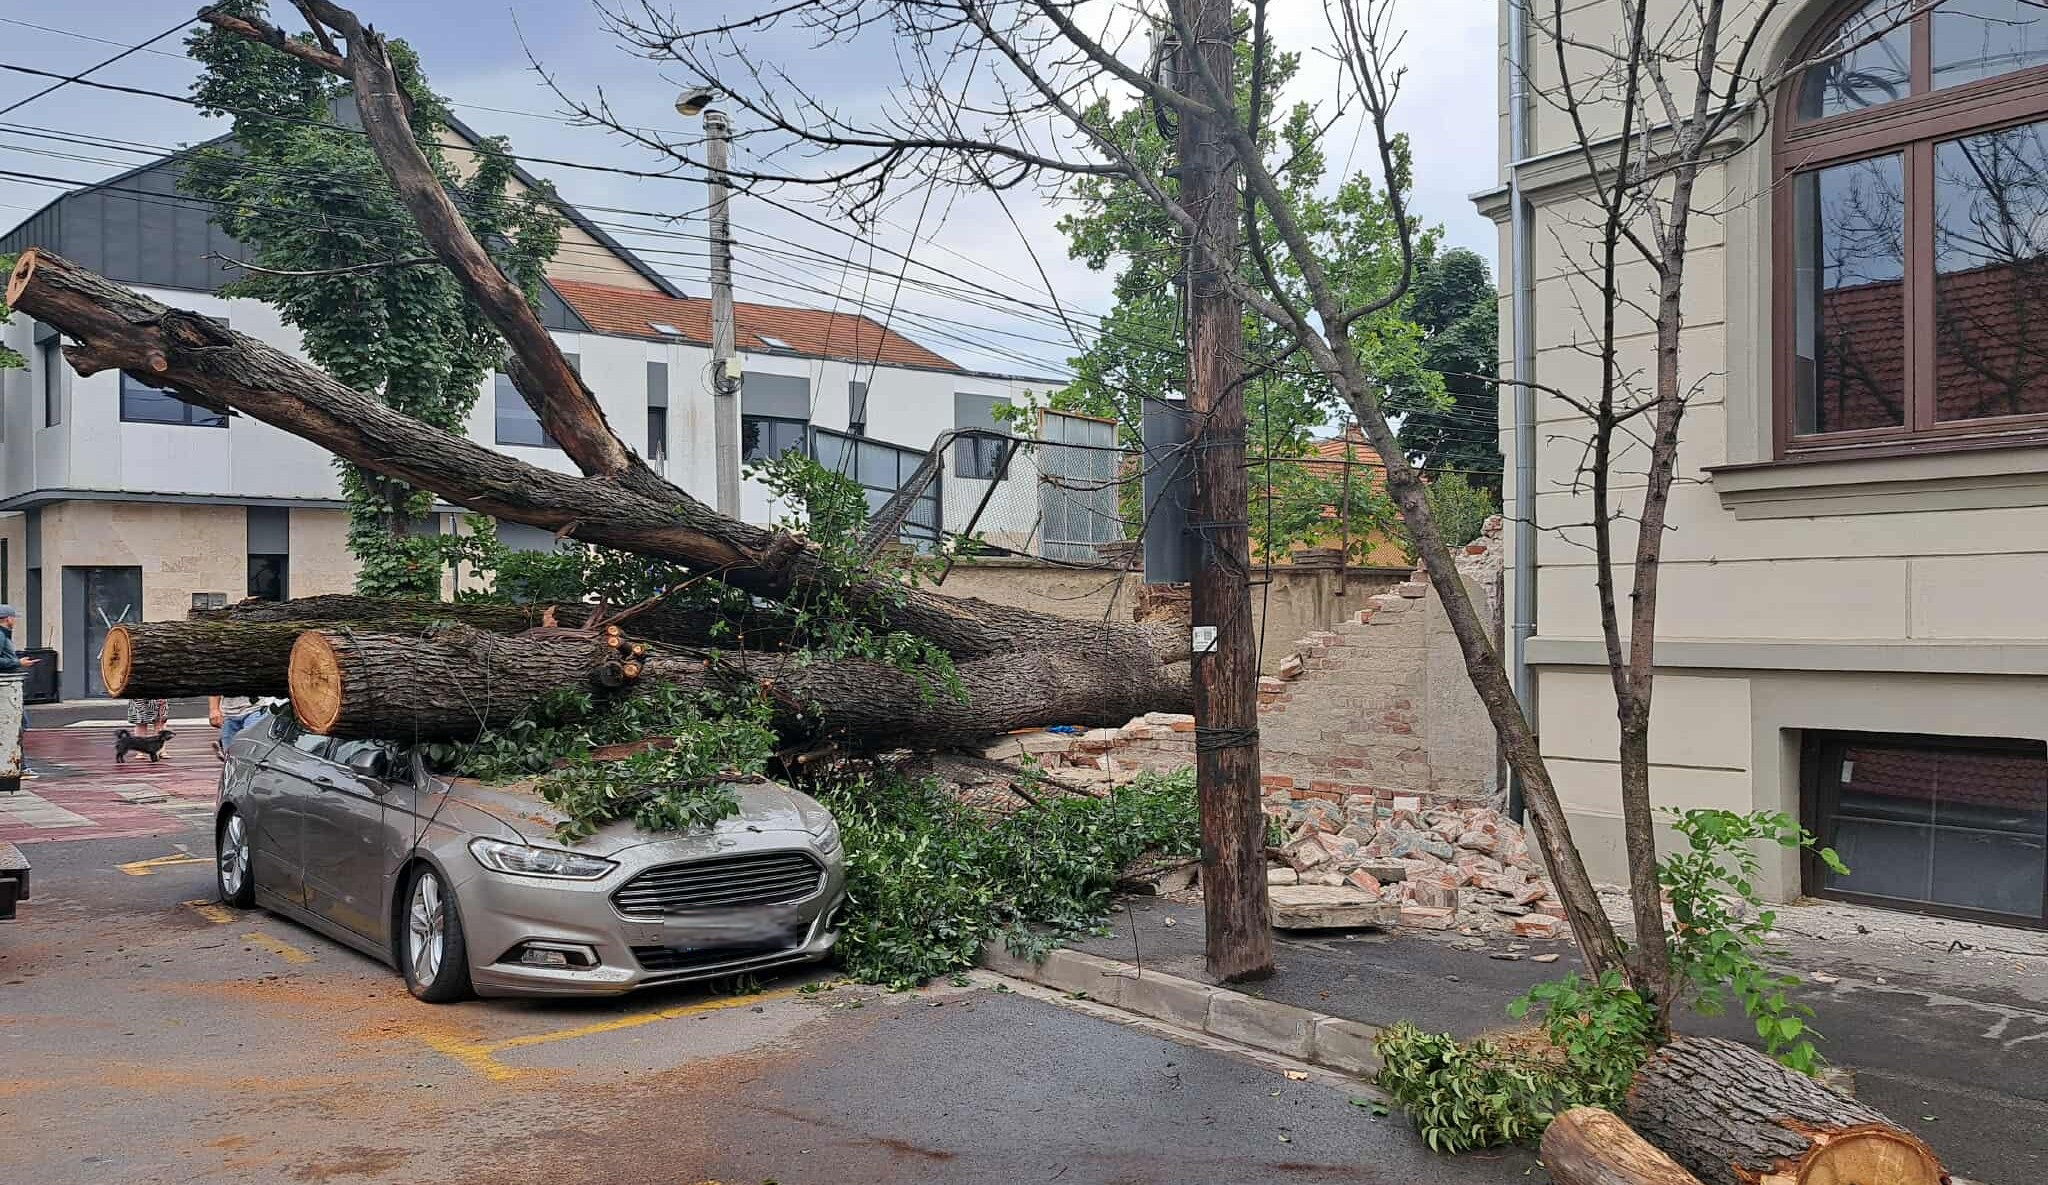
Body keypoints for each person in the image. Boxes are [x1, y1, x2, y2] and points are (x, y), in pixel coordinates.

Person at [0, 606, 39, 784]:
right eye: (13, 618)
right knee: (18, 724)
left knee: (18, 724)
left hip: (9, 687)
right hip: (7, 688)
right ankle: (20, 766)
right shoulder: (1, 636)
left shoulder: (4, 635)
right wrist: (18, 662)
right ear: (7, 618)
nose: (15, 621)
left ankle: (20, 765)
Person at [209, 695, 274, 760]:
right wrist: (214, 709)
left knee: (253, 751)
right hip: (227, 714)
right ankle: (224, 752)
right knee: (230, 757)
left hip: (255, 710)